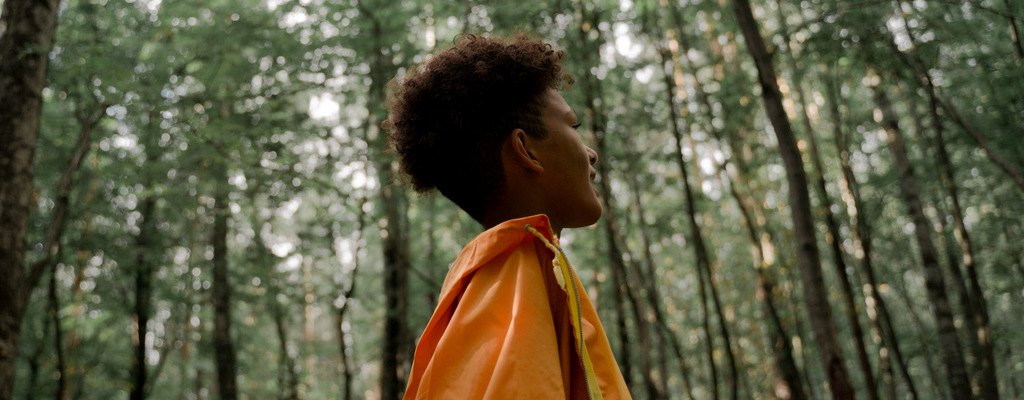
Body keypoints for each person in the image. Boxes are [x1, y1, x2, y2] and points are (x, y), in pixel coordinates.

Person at [384, 32, 632, 400]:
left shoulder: (488, 285)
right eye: (574, 127)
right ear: (526, 150)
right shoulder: (516, 281)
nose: (591, 152)